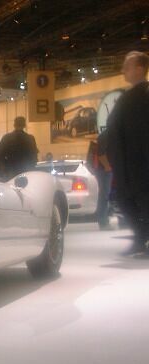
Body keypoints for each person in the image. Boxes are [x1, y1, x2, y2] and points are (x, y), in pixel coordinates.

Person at [106, 51, 149, 256]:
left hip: (138, 161)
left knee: (140, 199)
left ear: (140, 68)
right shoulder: (127, 98)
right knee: (125, 199)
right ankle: (141, 238)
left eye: (128, 66)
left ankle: (142, 238)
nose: (123, 70)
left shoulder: (137, 97)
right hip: (128, 162)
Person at [92, 132, 114, 230]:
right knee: (104, 195)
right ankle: (103, 221)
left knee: (104, 195)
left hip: (103, 170)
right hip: (104, 170)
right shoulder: (107, 136)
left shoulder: (105, 135)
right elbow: (101, 153)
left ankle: (103, 220)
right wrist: (107, 166)